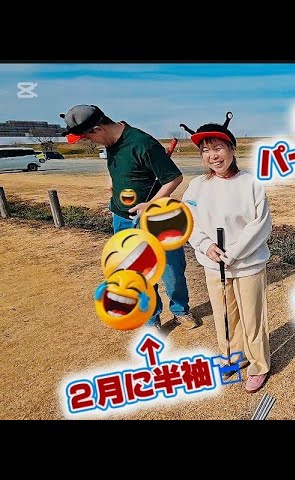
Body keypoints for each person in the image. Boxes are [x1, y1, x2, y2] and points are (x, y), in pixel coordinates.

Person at [60, 104, 196, 330]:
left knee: (172, 269)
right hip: (123, 219)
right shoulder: (110, 142)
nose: (91, 142)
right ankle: (151, 317)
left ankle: (180, 310)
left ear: (98, 129)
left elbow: (173, 178)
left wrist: (150, 205)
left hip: (157, 219)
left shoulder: (143, 143)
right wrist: (112, 181)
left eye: (88, 138)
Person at [181, 114, 272, 394]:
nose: (213, 156)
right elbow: (188, 220)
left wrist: (232, 253)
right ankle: (233, 357)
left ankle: (259, 365)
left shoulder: (251, 184)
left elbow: (260, 225)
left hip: (247, 264)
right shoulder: (197, 186)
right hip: (212, 264)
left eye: (218, 148)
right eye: (205, 150)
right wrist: (204, 244)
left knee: (252, 318)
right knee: (224, 315)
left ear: (232, 149)